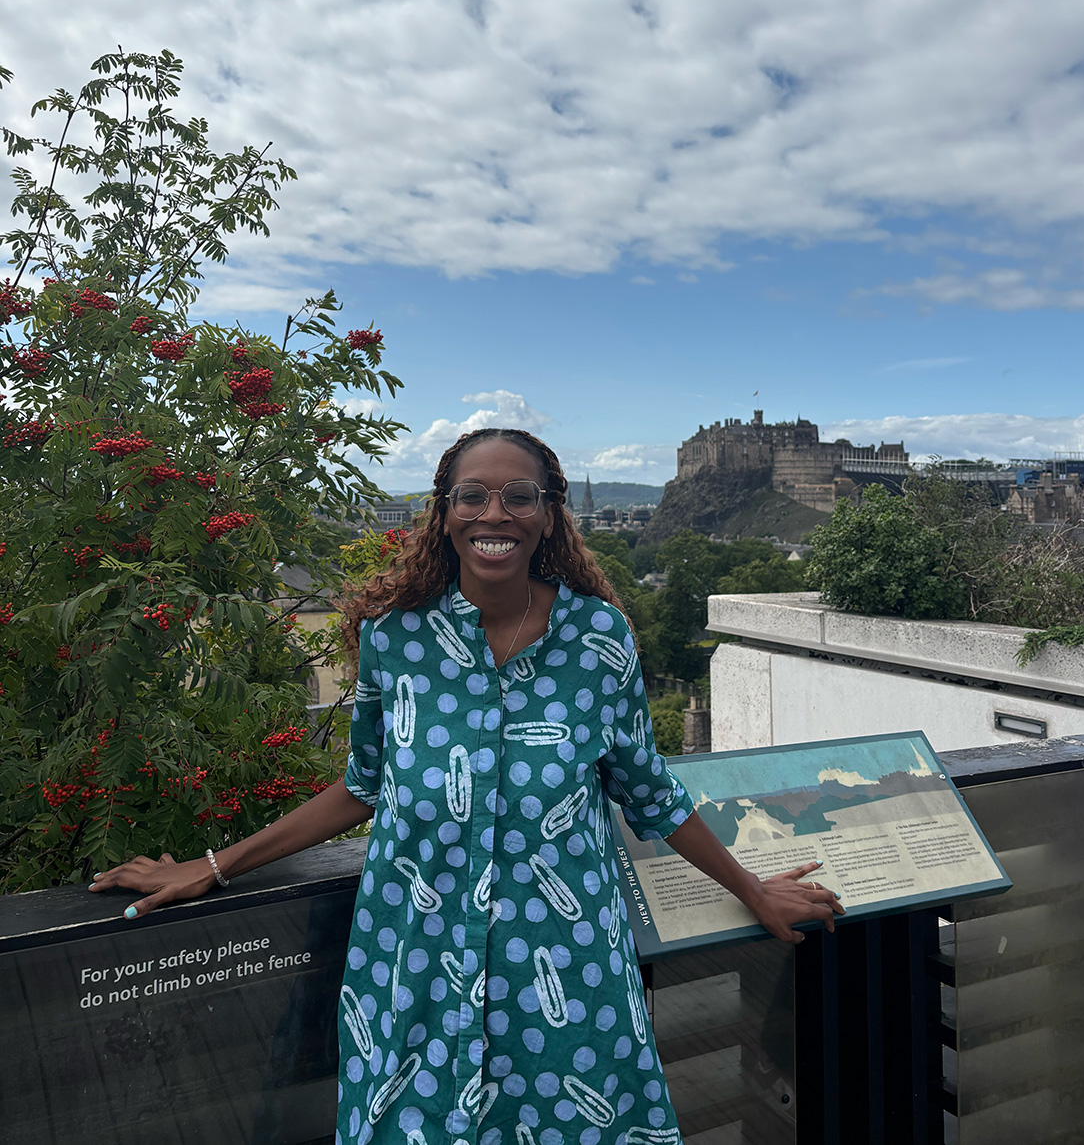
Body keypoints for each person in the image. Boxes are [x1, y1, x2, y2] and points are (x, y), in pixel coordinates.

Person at [91, 428, 844, 1145]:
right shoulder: (394, 637)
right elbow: (364, 785)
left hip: (563, 963)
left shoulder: (598, 639)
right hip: (415, 958)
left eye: (519, 496)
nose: (495, 514)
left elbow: (650, 794)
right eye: (472, 496)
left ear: (549, 514)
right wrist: (214, 865)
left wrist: (751, 890)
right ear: (444, 512)